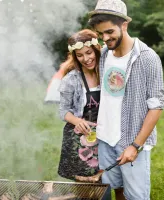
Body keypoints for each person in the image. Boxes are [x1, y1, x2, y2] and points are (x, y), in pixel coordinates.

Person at [88, 0, 164, 199]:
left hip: (132, 140)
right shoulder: (104, 55)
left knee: (137, 196)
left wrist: (135, 145)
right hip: (106, 138)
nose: (105, 38)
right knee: (114, 188)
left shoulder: (147, 58)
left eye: (109, 32)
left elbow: (156, 106)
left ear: (124, 25)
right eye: (100, 33)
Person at [57, 29, 101, 180]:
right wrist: (78, 121)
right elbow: (63, 111)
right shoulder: (71, 80)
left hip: (105, 135)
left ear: (96, 49)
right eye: (80, 55)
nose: (86, 58)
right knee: (83, 183)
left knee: (105, 180)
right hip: (81, 137)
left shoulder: (107, 73)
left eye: (89, 52)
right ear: (75, 56)